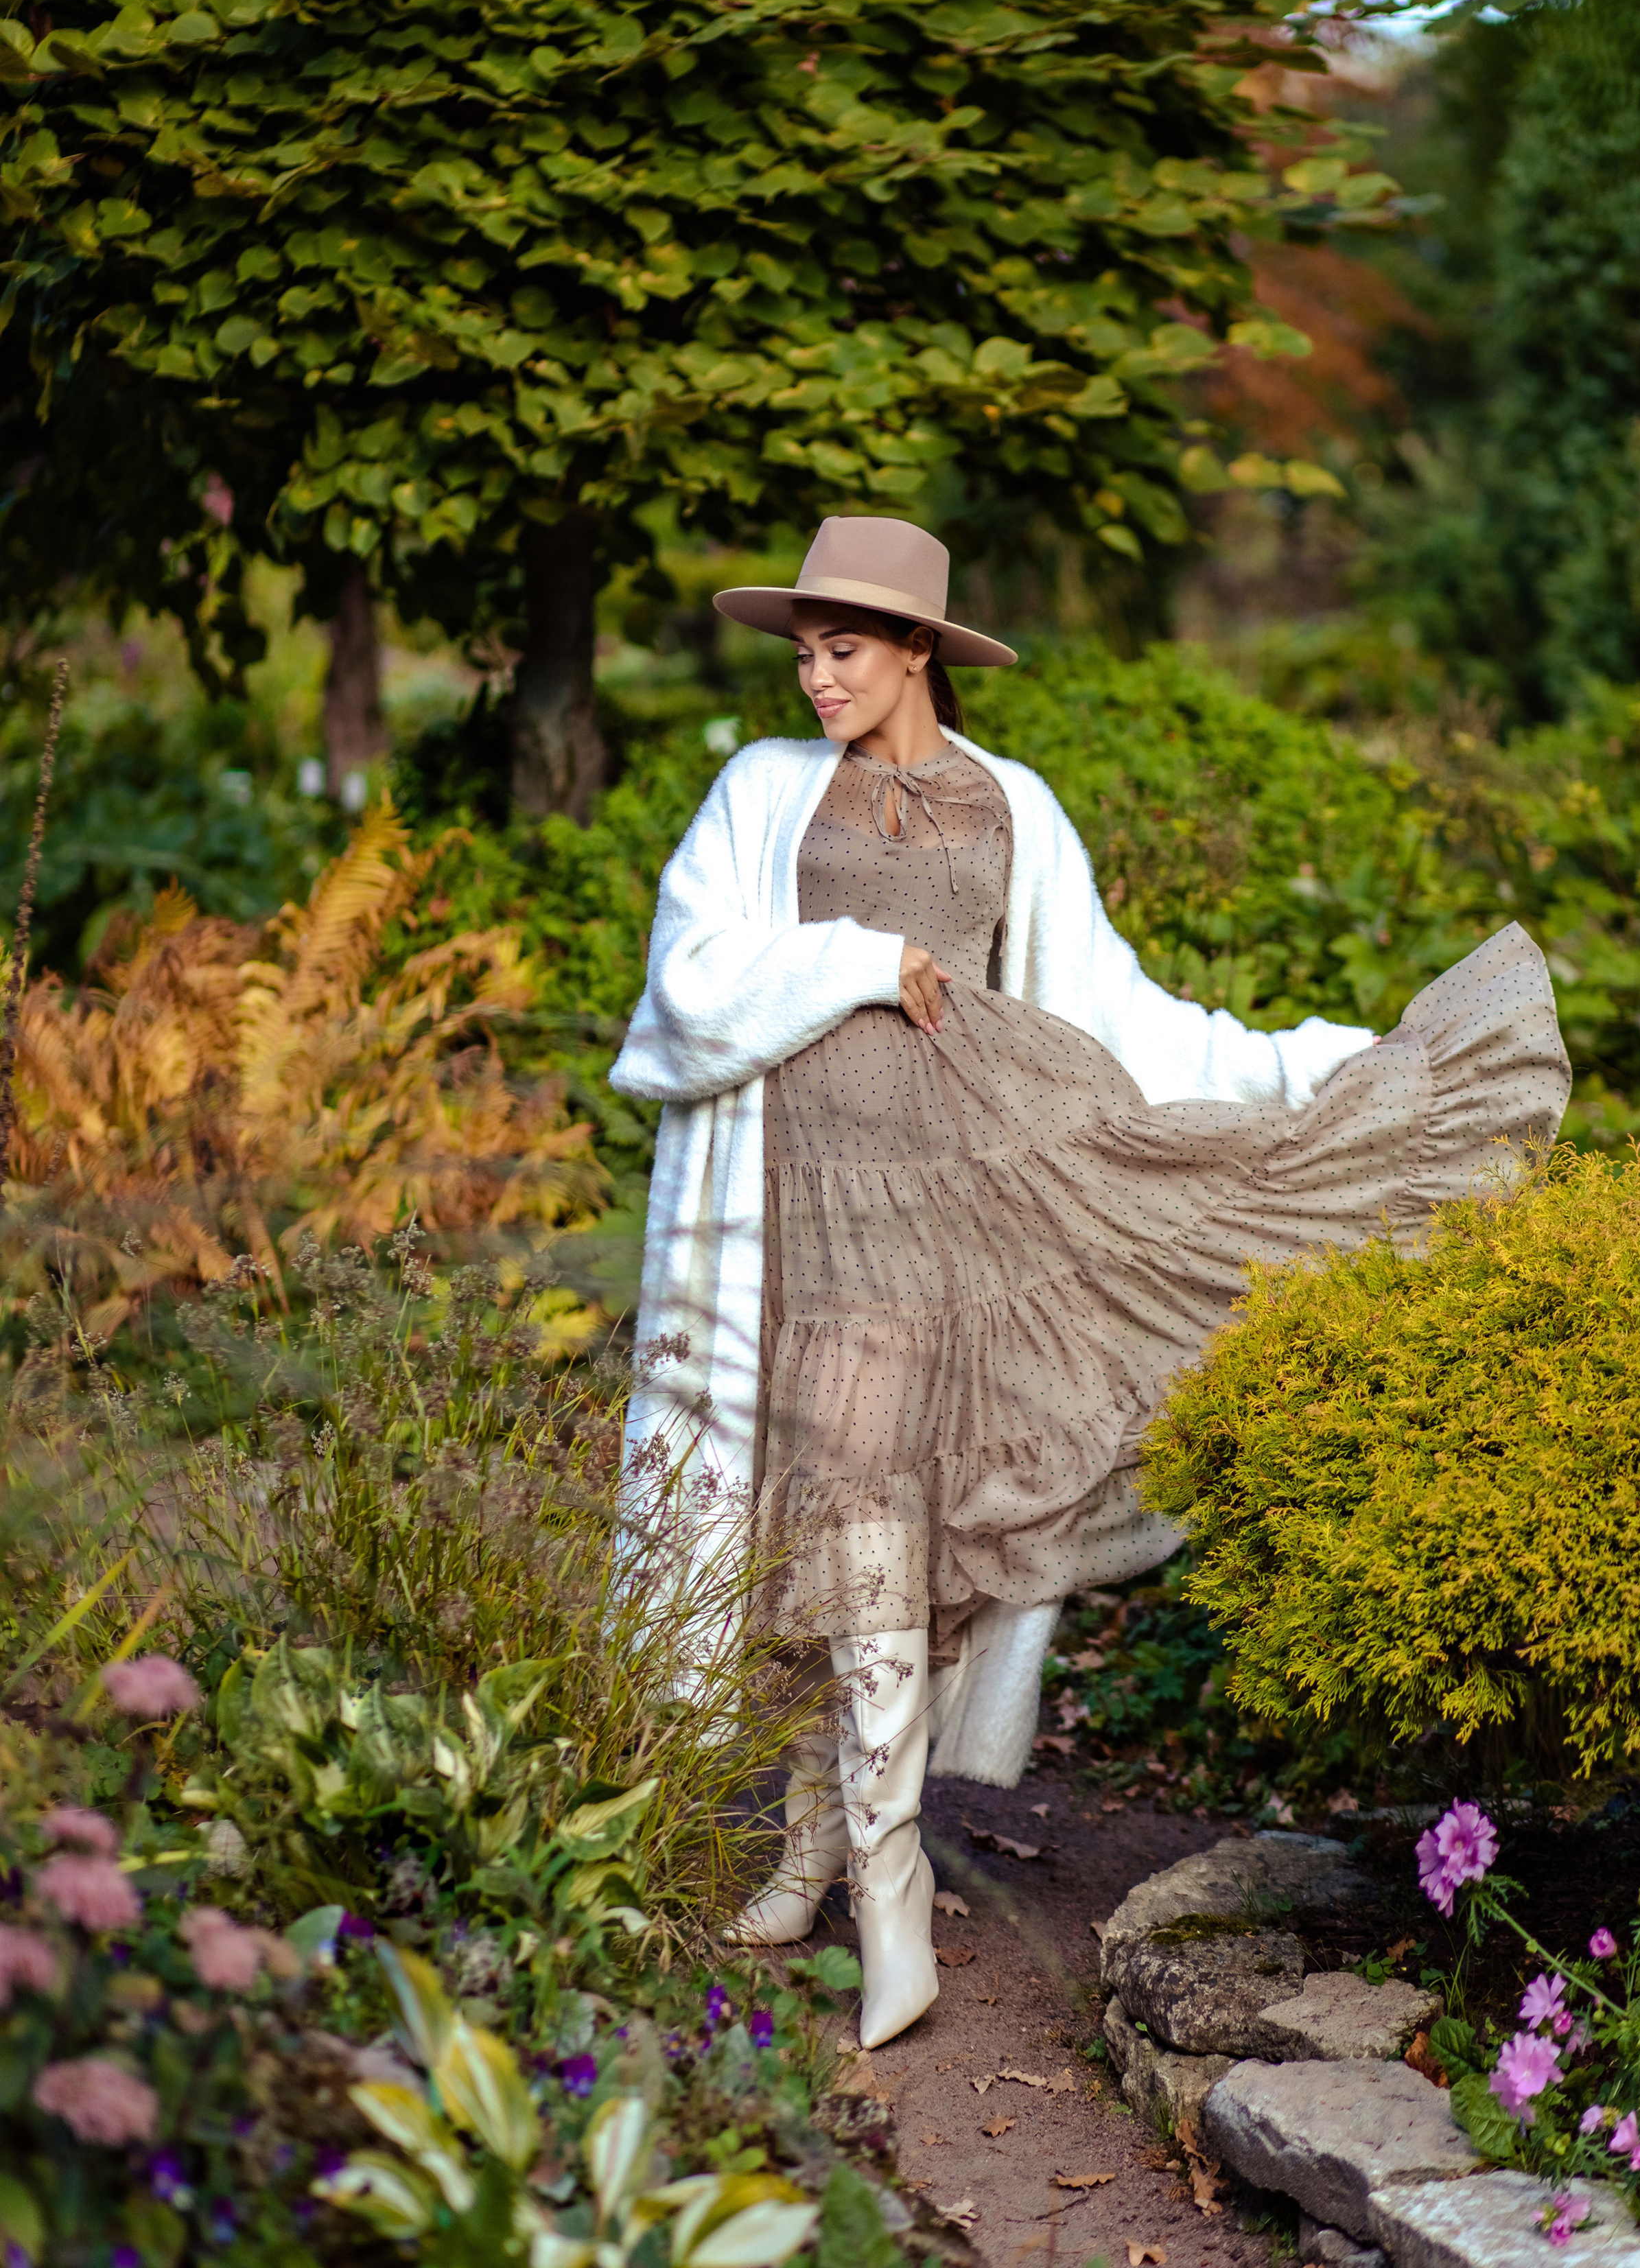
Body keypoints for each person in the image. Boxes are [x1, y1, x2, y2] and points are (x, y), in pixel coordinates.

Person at [609, 516, 1569, 2048]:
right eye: (801, 652)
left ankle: (883, 1883)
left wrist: (1298, 1074)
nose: (815, 678)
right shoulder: (761, 791)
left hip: (964, 1217)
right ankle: (818, 1849)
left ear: (916, 649)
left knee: (877, 1515)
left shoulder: (1012, 806)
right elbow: (687, 985)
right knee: (828, 1514)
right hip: (800, 1210)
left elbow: (1110, 1009)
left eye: (842, 650)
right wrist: (855, 960)